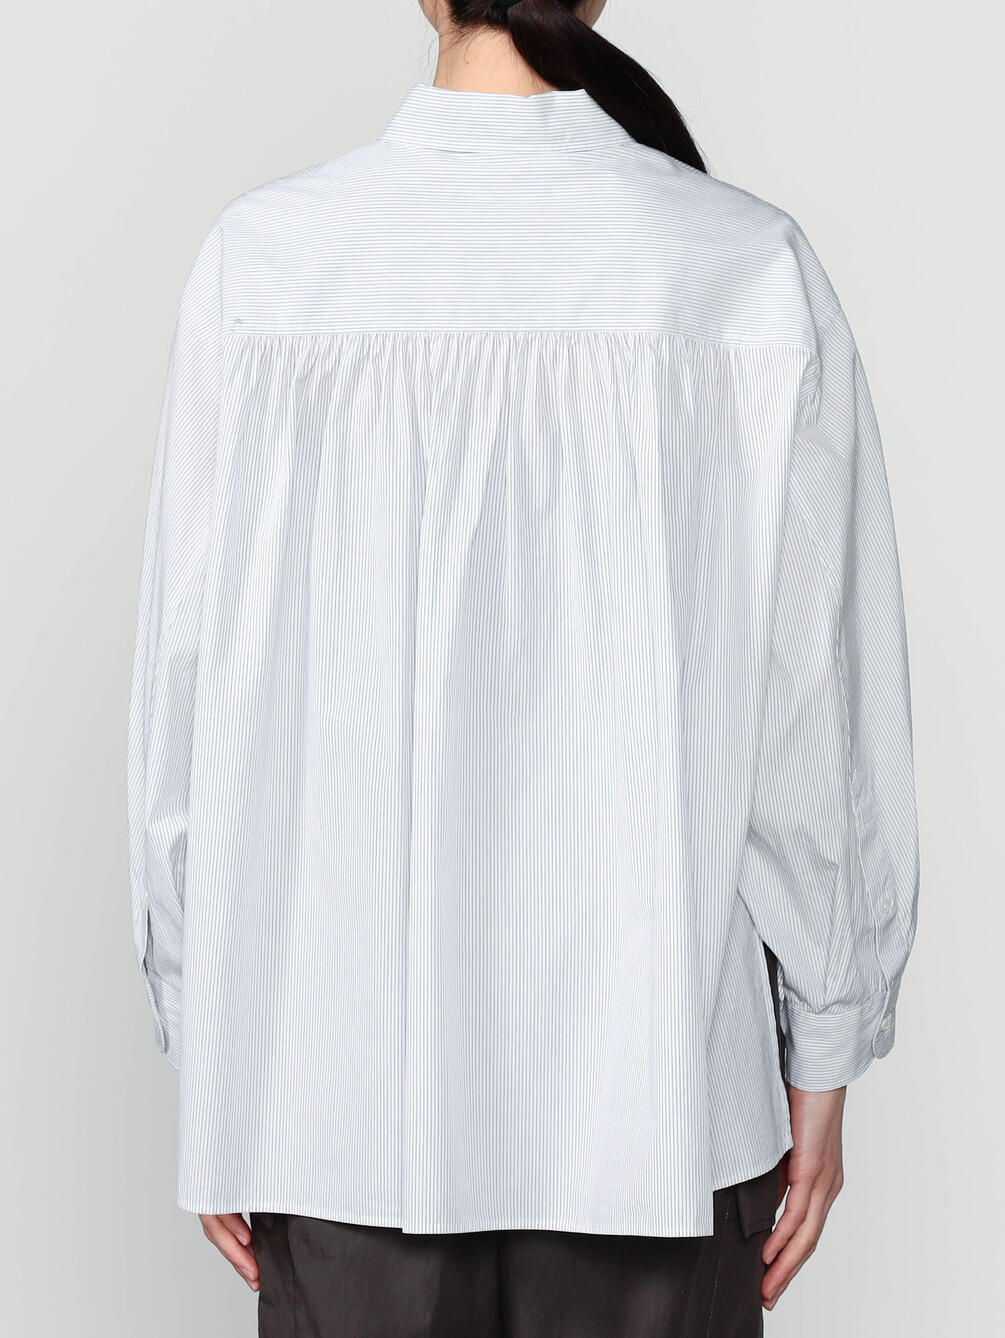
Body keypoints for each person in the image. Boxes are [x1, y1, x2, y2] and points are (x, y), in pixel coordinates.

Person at [126, 1, 920, 1334]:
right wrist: (827, 1039)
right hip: (657, 1108)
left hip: (335, 1109)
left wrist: (215, 1048)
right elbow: (809, 717)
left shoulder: (266, 265)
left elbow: (190, 700)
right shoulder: (740, 269)